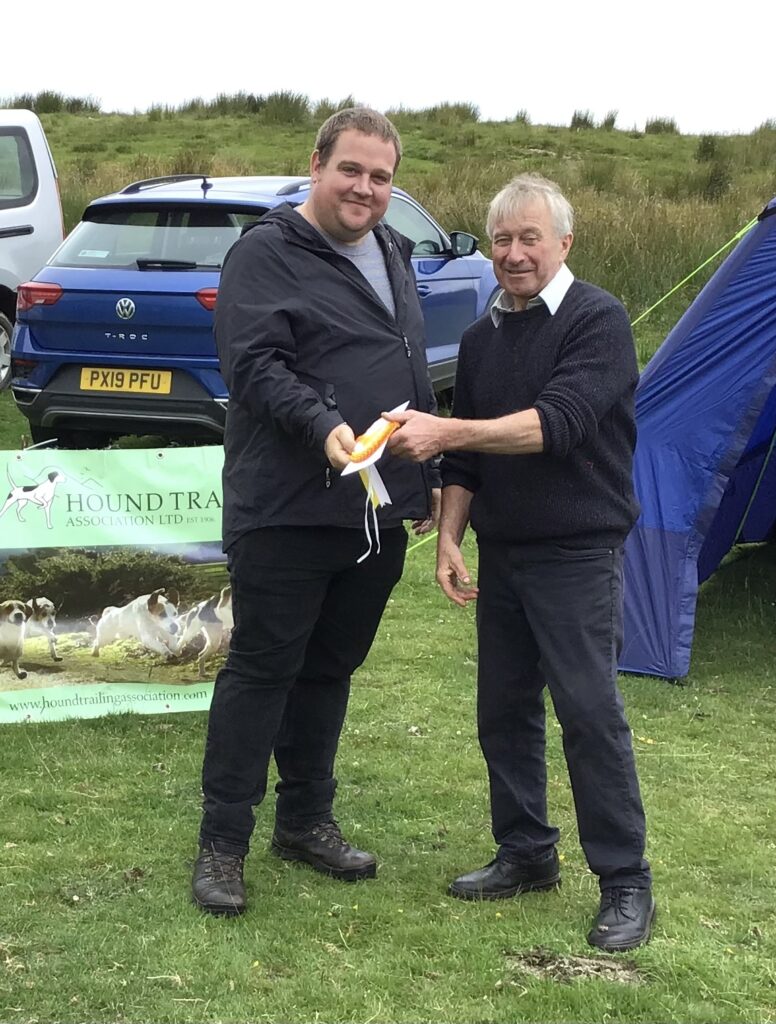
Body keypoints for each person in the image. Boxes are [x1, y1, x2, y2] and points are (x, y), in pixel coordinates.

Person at [386, 173, 655, 952]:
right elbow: (468, 465)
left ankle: (626, 881)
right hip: (503, 554)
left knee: (589, 715)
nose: (513, 253)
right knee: (502, 713)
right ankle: (526, 853)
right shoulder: (481, 338)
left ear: (563, 242)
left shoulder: (598, 320)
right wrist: (448, 538)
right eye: (501, 239)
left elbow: (556, 426)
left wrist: (443, 431)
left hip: (578, 553)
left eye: (529, 238)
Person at [192, 108, 440, 917]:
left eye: (381, 176)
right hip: (286, 508)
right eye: (351, 170)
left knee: (331, 669)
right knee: (263, 671)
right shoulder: (265, 252)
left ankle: (304, 821)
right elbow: (253, 364)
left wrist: (427, 474)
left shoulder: (393, 247)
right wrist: (320, 423)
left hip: (372, 512)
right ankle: (222, 843)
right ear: (317, 165)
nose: (365, 188)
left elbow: (408, 365)